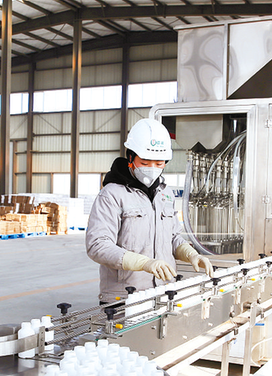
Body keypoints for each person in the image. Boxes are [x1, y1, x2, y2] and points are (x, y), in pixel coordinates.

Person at [86, 118, 213, 303]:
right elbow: (97, 245)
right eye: (145, 163)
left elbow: (172, 238)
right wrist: (144, 263)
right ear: (130, 158)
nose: (152, 169)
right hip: (125, 297)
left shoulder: (165, 193)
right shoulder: (112, 194)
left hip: (164, 292)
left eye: (159, 163)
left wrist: (191, 254)